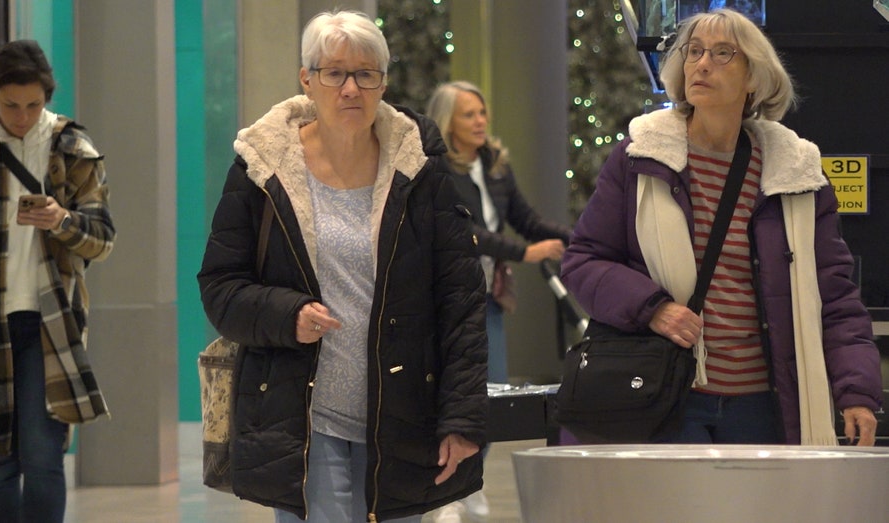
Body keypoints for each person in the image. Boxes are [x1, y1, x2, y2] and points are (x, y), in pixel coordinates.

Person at [197, 10, 488, 523]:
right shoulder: (262, 168)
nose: (350, 88)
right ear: (307, 80)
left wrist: (462, 416)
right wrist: (287, 314)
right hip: (304, 416)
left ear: (383, 83)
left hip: (403, 415)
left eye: (366, 74)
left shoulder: (419, 168)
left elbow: (460, 299)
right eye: (334, 73)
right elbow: (221, 286)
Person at [560, 8, 882, 446]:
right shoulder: (640, 160)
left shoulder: (796, 174)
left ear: (755, 77)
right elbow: (583, 262)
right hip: (669, 394)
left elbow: (835, 296)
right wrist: (653, 307)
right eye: (694, 52)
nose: (703, 64)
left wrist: (857, 392)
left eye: (723, 53)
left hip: (764, 404)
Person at [0, 40, 115, 522]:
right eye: (10, 105)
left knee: (44, 459)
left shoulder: (73, 147)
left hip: (50, 322)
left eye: (33, 105)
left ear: (46, 97)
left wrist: (62, 220)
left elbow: (103, 240)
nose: (22, 117)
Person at [425, 81, 572, 522]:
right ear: (447, 121)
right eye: (469, 114)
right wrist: (524, 253)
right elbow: (463, 232)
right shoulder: (436, 171)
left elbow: (525, 220)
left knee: (490, 392)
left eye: (482, 113)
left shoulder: (494, 167)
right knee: (452, 395)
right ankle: (446, 491)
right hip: (444, 296)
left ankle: (468, 479)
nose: (480, 121)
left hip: (486, 297)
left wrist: (578, 238)